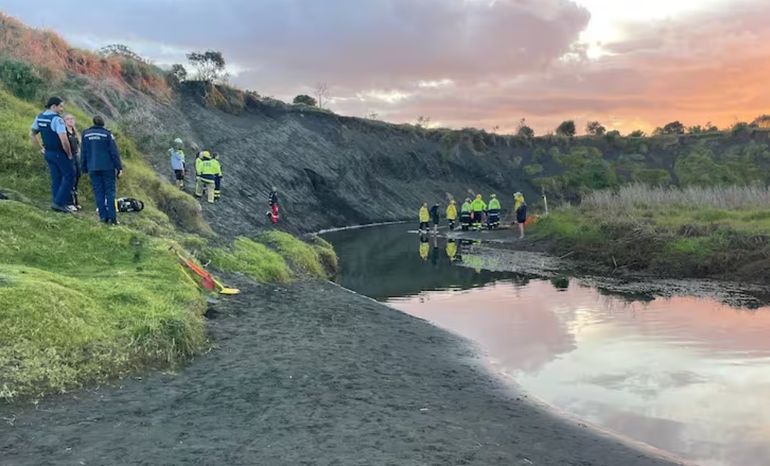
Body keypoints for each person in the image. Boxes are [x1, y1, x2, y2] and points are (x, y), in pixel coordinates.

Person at [30, 96, 75, 212]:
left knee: (56, 177)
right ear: (53, 106)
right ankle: (59, 202)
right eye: (60, 106)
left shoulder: (39, 117)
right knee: (70, 175)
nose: (62, 109)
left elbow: (32, 134)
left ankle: (56, 201)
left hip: (48, 152)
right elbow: (64, 139)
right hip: (59, 152)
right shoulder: (57, 119)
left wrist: (40, 148)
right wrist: (69, 153)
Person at [81, 115, 123, 224]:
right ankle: (112, 218)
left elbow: (83, 152)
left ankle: (103, 217)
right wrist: (119, 167)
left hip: (92, 167)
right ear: (102, 123)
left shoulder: (85, 134)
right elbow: (114, 153)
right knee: (110, 192)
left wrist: (83, 167)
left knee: (98, 192)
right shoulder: (107, 134)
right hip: (107, 167)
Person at [63, 114, 81, 209]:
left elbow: (79, 144)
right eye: (68, 119)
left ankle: (75, 200)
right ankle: (69, 202)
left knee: (78, 175)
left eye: (72, 119)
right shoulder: (64, 132)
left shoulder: (75, 132)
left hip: (76, 155)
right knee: (71, 177)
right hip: (68, 156)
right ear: (64, 121)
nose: (70, 120)